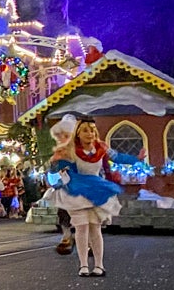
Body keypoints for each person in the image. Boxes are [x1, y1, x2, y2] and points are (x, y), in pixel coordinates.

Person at [46, 115, 134, 278]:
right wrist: (54, 165)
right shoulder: (69, 150)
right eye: (85, 130)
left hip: (96, 191)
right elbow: (56, 175)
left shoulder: (100, 148)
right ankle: (84, 265)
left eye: (92, 130)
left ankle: (99, 265)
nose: (90, 134)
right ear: (78, 133)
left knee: (95, 228)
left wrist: (136, 160)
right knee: (81, 228)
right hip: (77, 192)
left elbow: (115, 159)